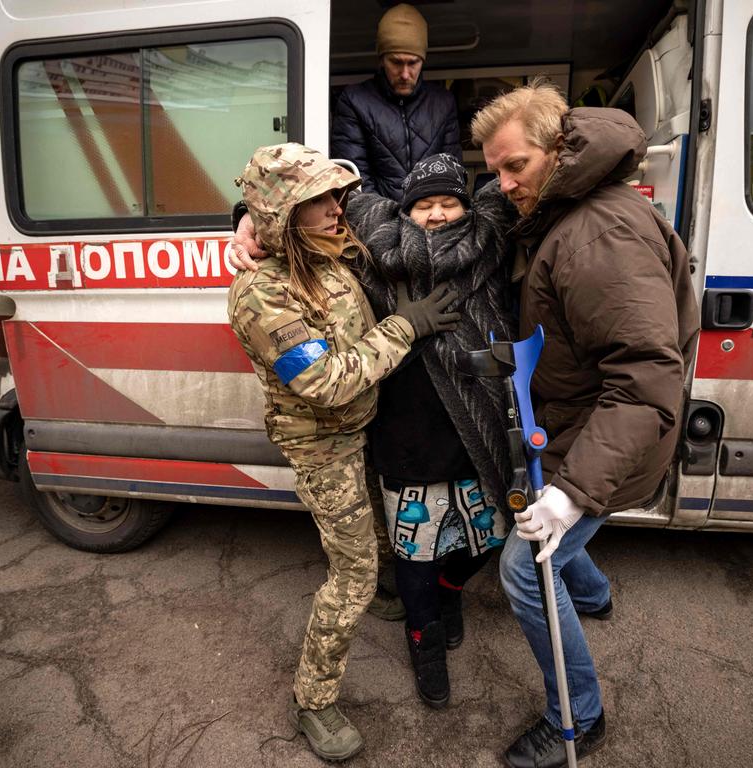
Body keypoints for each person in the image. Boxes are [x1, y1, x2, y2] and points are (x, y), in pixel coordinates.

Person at [470, 85, 700, 767]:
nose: (502, 185)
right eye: (494, 170)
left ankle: (582, 714)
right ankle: (594, 595)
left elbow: (645, 380)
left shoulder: (597, 233)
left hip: (609, 439)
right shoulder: (566, 205)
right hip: (584, 426)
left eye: (514, 167)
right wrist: (256, 220)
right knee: (556, 547)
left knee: (526, 568)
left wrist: (570, 495)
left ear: (559, 150)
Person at [227, 142, 460, 762]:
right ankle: (314, 699)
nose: (339, 208)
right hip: (321, 441)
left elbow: (398, 217)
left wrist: (244, 219)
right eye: (319, 200)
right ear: (285, 216)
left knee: (377, 529)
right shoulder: (262, 295)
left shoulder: (327, 250)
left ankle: (381, 591)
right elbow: (327, 383)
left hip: (364, 427)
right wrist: (405, 327)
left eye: (336, 194)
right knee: (351, 571)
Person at [349, 154, 516, 708]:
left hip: (477, 428)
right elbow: (316, 199)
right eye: (425, 204)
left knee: (485, 536)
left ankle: (451, 594)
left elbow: (527, 171)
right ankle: (423, 641)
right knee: (415, 550)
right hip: (407, 430)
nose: (439, 215)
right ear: (406, 209)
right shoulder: (378, 246)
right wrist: (245, 216)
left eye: (449, 202)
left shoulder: (490, 235)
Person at [331, 3, 461, 202]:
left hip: (431, 219)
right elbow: (355, 177)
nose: (405, 74)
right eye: (396, 62)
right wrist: (387, 222)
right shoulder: (354, 100)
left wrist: (428, 215)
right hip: (375, 222)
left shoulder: (443, 102)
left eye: (413, 63)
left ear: (423, 61)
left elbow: (451, 172)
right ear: (382, 59)